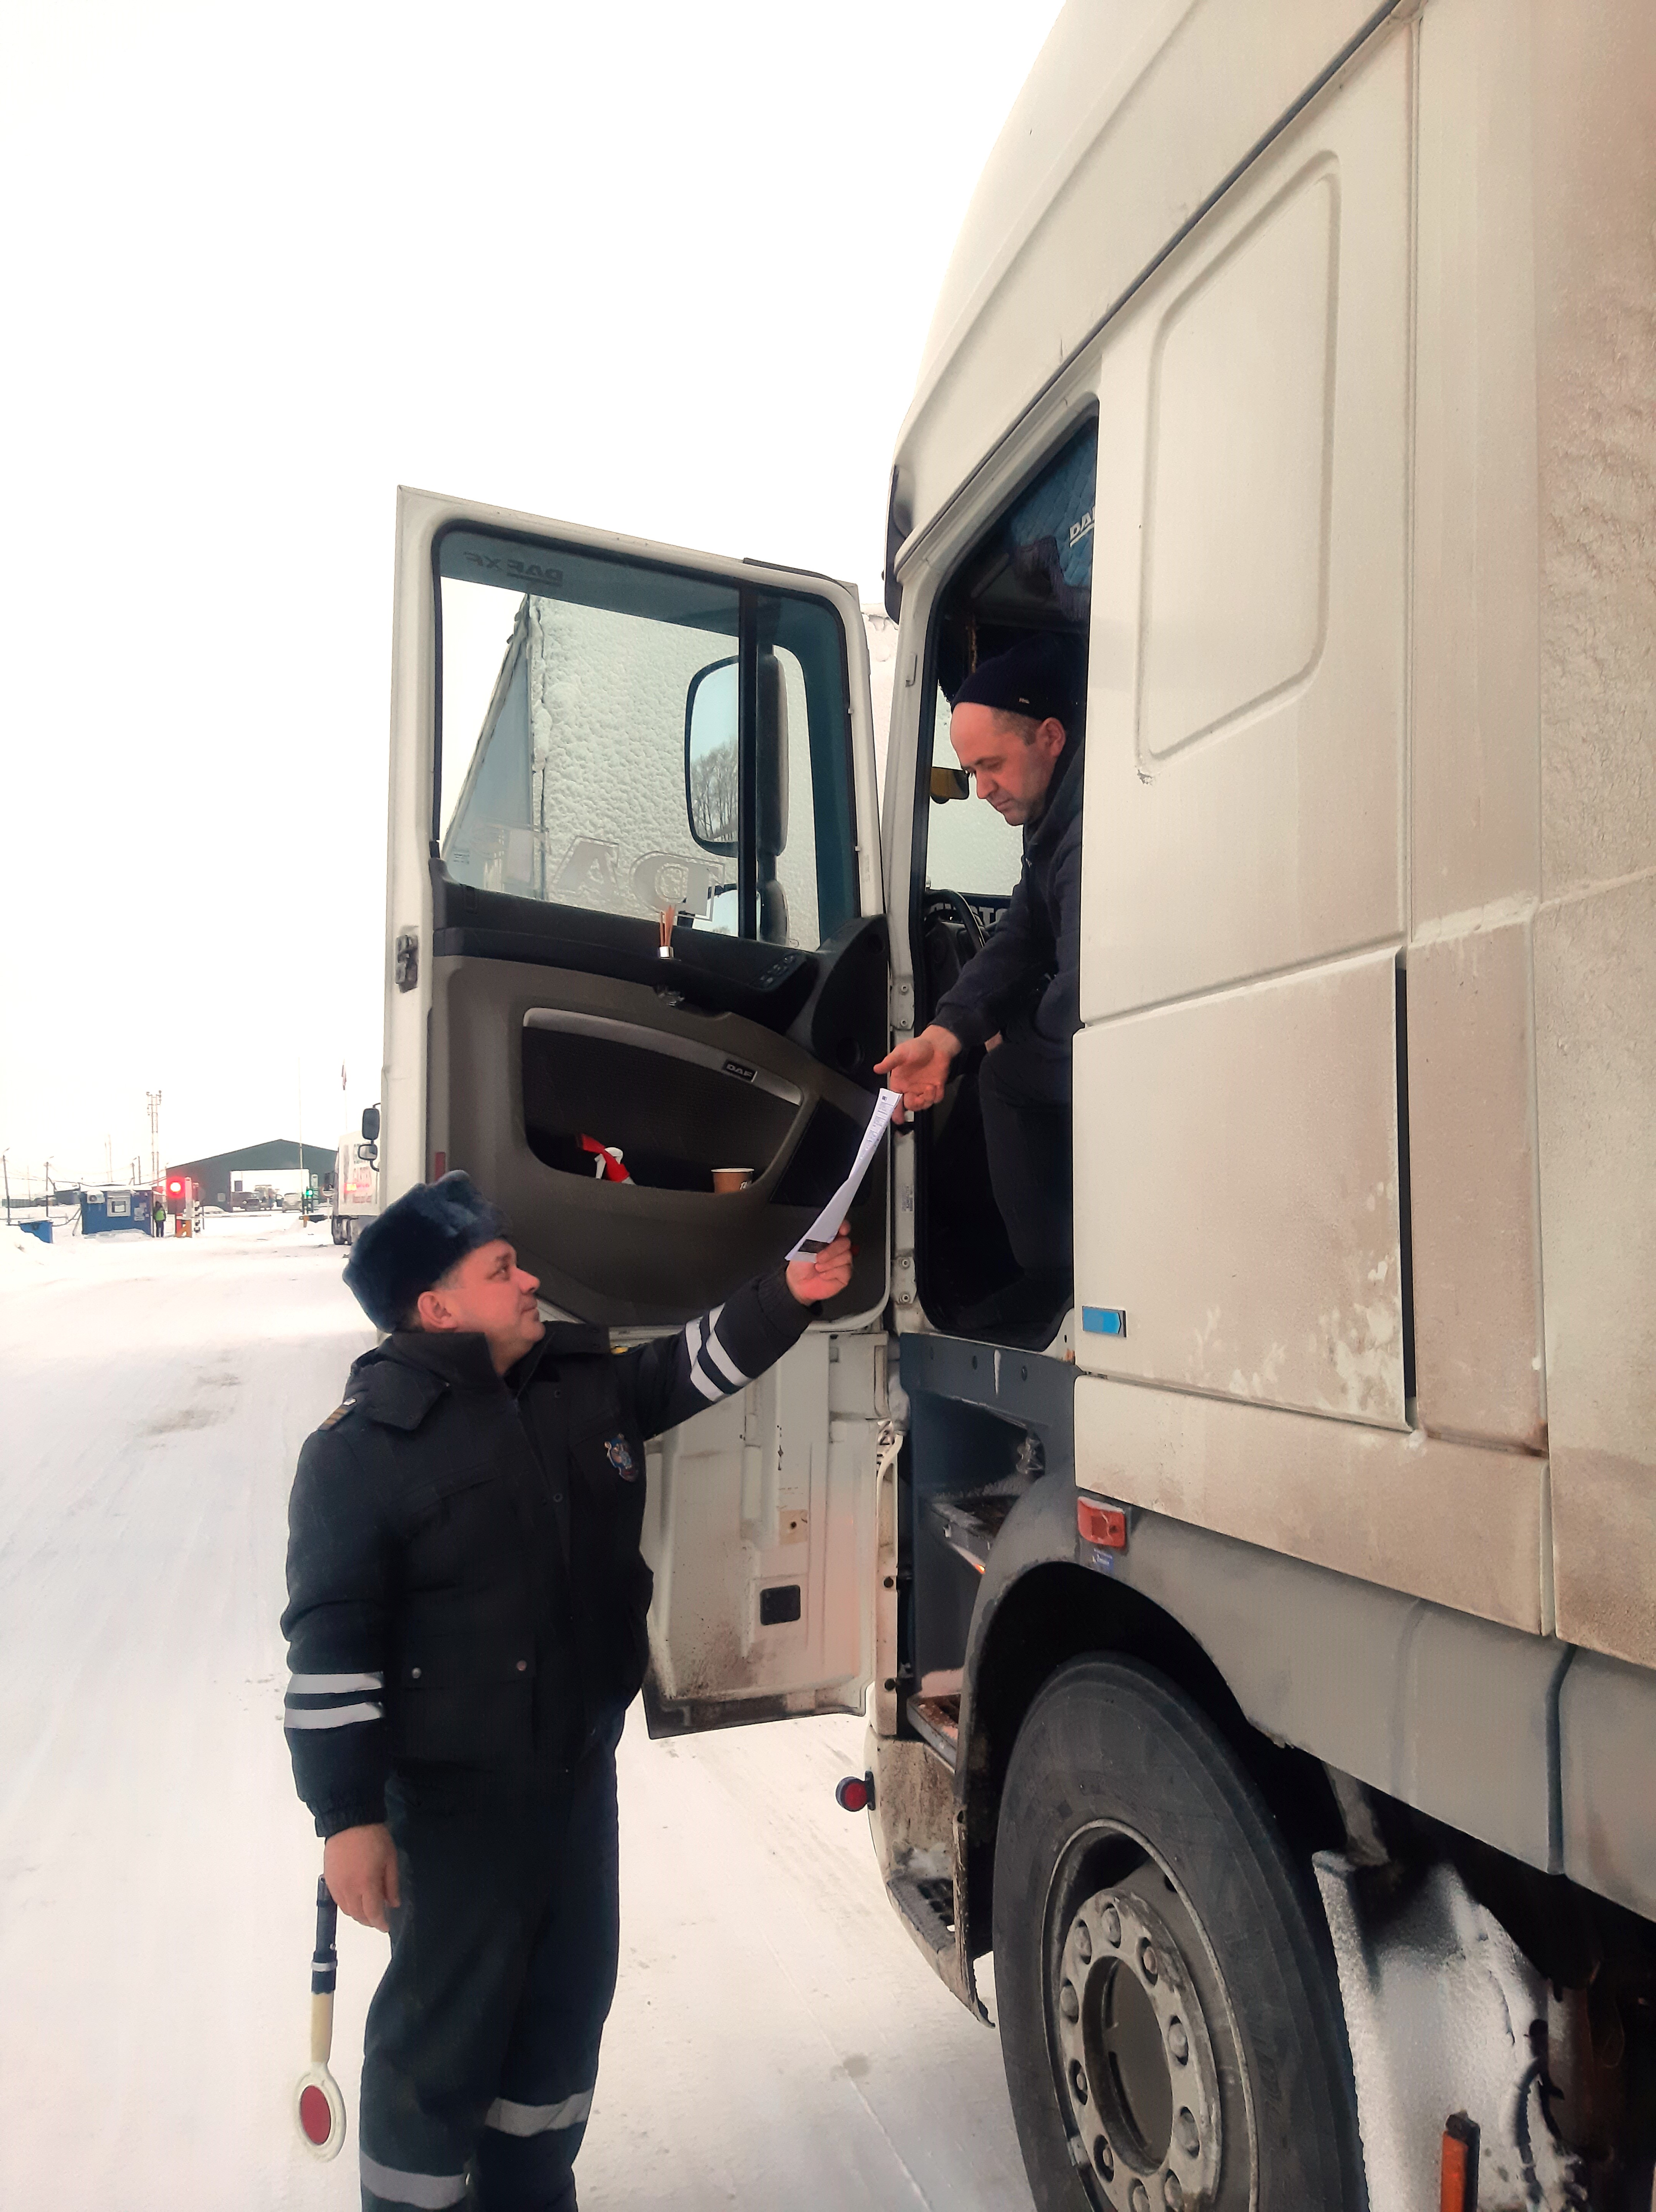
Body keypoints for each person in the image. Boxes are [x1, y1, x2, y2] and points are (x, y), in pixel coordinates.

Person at [281, 1172, 853, 2212]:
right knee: (439, 2047)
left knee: (563, 2019)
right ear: (436, 1308)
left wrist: (791, 1292)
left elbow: (689, 1368)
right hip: (455, 1814)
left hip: (578, 1783)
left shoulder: (573, 1385)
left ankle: (532, 2194)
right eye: (503, 1270)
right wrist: (346, 1817)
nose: (531, 1278)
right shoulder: (360, 1453)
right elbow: (331, 1649)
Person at [876, 632, 1083, 1323]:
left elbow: (1090, 997)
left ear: (1050, 737)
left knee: (1006, 1080)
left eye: (991, 765)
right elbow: (1024, 931)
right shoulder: (1057, 821)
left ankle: (1054, 1284)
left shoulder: (1090, 831)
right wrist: (945, 1035)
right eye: (969, 773)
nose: (982, 790)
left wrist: (1008, 1040)